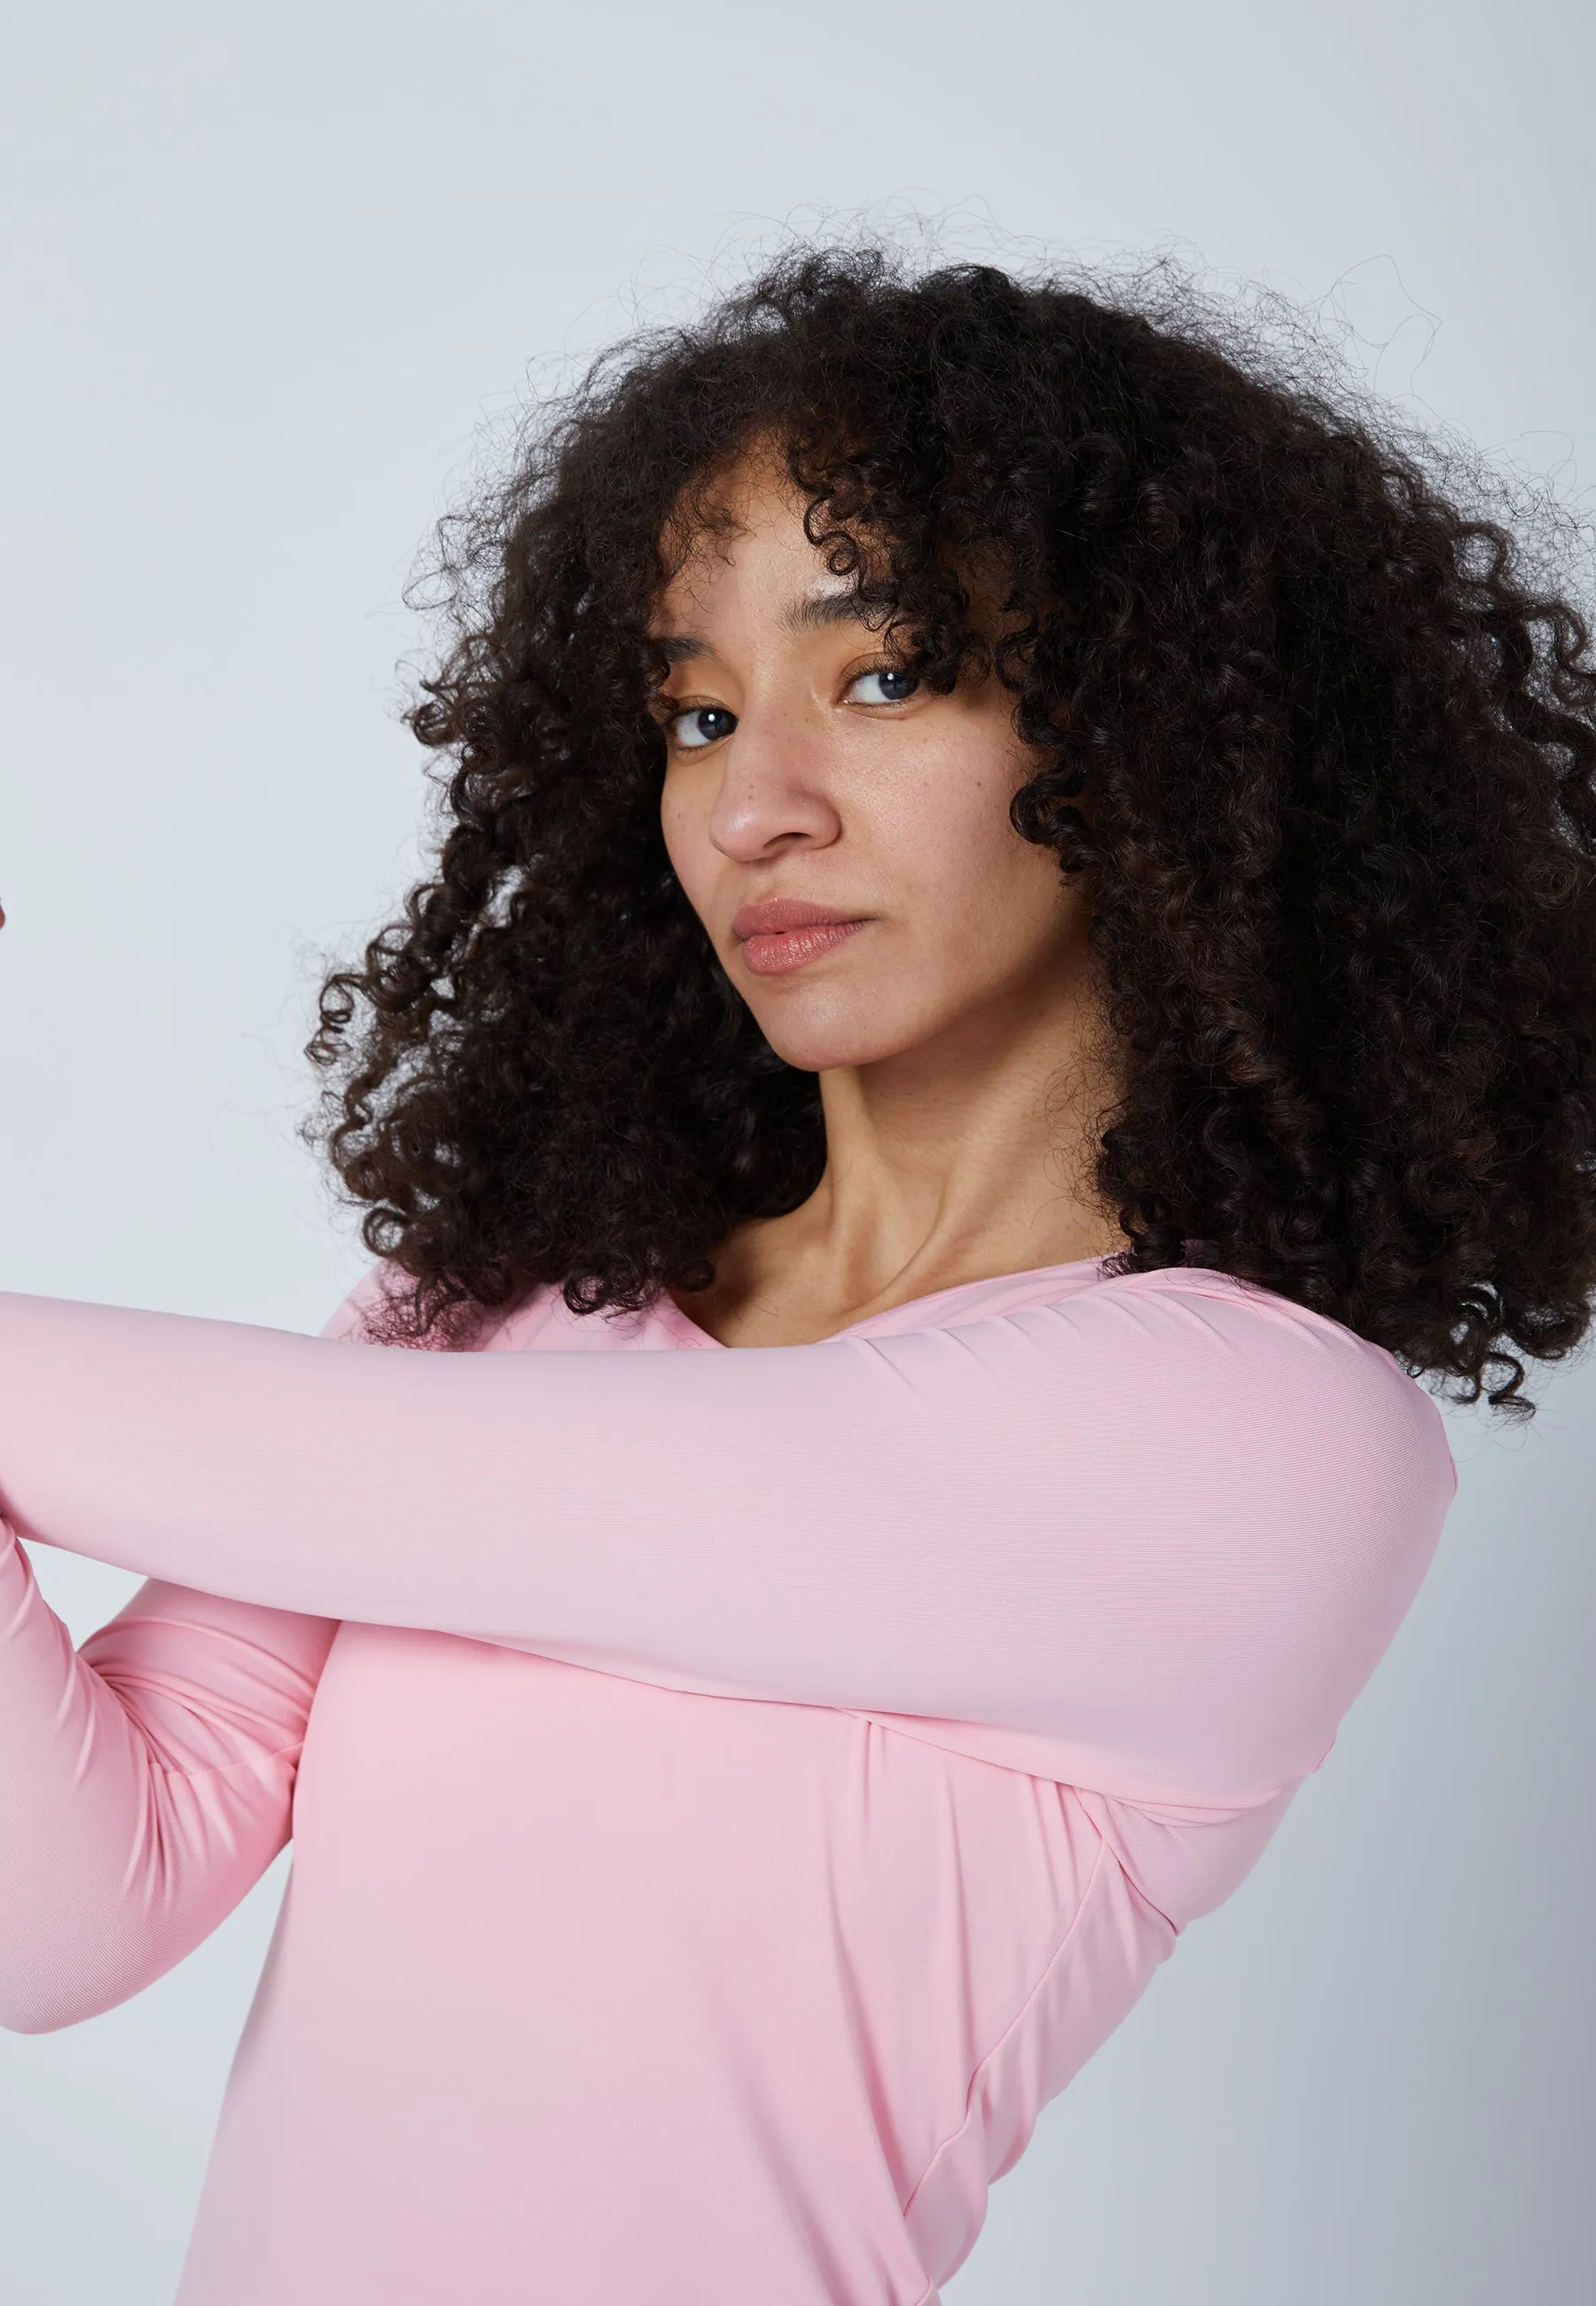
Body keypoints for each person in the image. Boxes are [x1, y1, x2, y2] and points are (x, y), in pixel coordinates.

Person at [2, 244, 1593, 2306]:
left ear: (1156, 732)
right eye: (693, 708)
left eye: (884, 673)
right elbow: (66, 1914)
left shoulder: (1259, 1436)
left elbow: (542, 1491)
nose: (753, 806)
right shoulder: (500, 1303)